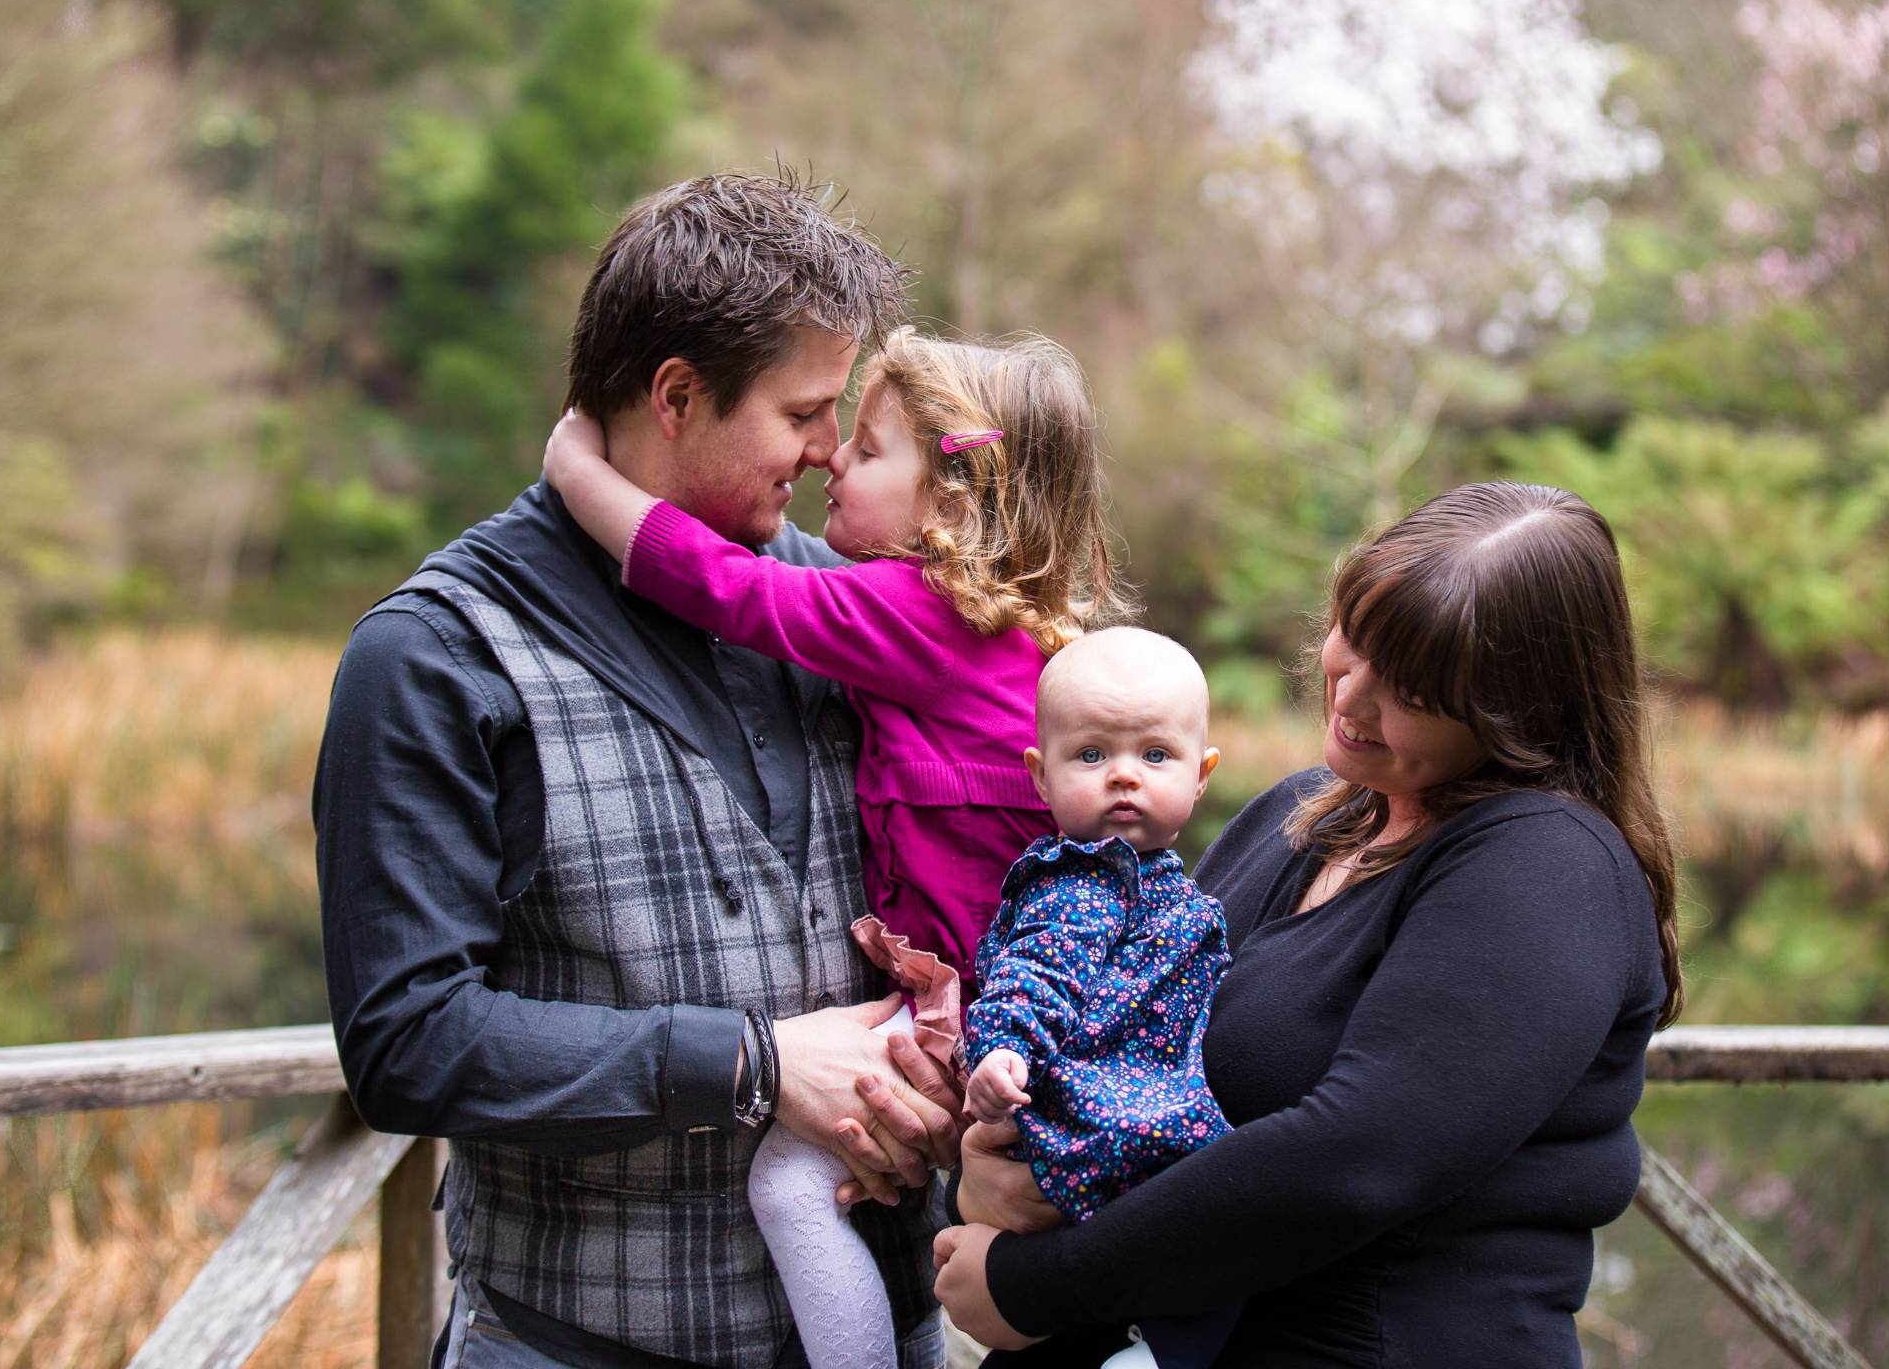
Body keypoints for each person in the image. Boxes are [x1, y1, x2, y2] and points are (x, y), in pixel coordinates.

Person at [315, 172, 962, 1369]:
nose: (831, 454)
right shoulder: (434, 656)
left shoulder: (857, 610)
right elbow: (406, 1043)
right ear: (676, 395)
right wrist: (751, 1067)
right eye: (806, 412)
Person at [934, 482, 1685, 1368]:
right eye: (1354, 642)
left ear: (1518, 710)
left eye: (1407, 688)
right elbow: (1120, 1036)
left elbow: (1357, 1159)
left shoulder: (1549, 869)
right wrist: (994, 1173)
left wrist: (1039, 1285)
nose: (1352, 697)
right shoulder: (1302, 815)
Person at [540, 326, 1130, 1369]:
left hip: (981, 1009)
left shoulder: (917, 611)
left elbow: (729, 587)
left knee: (786, 1183)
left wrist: (577, 474)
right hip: (1048, 1010)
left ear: (948, 504)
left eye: (865, 449)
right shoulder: (1018, 633)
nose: (832, 462)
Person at [962, 628, 1236, 1369]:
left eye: (1154, 755)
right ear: (1040, 775)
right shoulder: (1082, 882)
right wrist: (1002, 1051)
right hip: (1104, 1113)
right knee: (1223, 1221)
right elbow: (1035, 976)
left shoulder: (1154, 878)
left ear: (1201, 774)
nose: (1123, 776)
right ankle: (1152, 1349)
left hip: (1130, 1108)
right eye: (1091, 755)